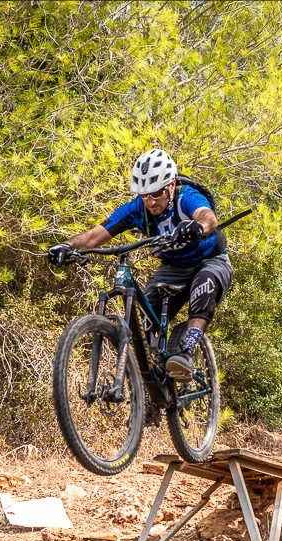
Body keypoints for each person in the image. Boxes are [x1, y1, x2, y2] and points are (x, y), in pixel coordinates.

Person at [47, 148, 229, 379]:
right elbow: (95, 236)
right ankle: (152, 381)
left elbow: (207, 217)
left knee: (204, 284)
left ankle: (185, 353)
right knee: (141, 322)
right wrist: (66, 246)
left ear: (171, 185)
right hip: (172, 268)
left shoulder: (187, 197)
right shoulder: (137, 208)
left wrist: (196, 226)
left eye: (157, 193)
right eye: (145, 195)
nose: (151, 201)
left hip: (209, 261)